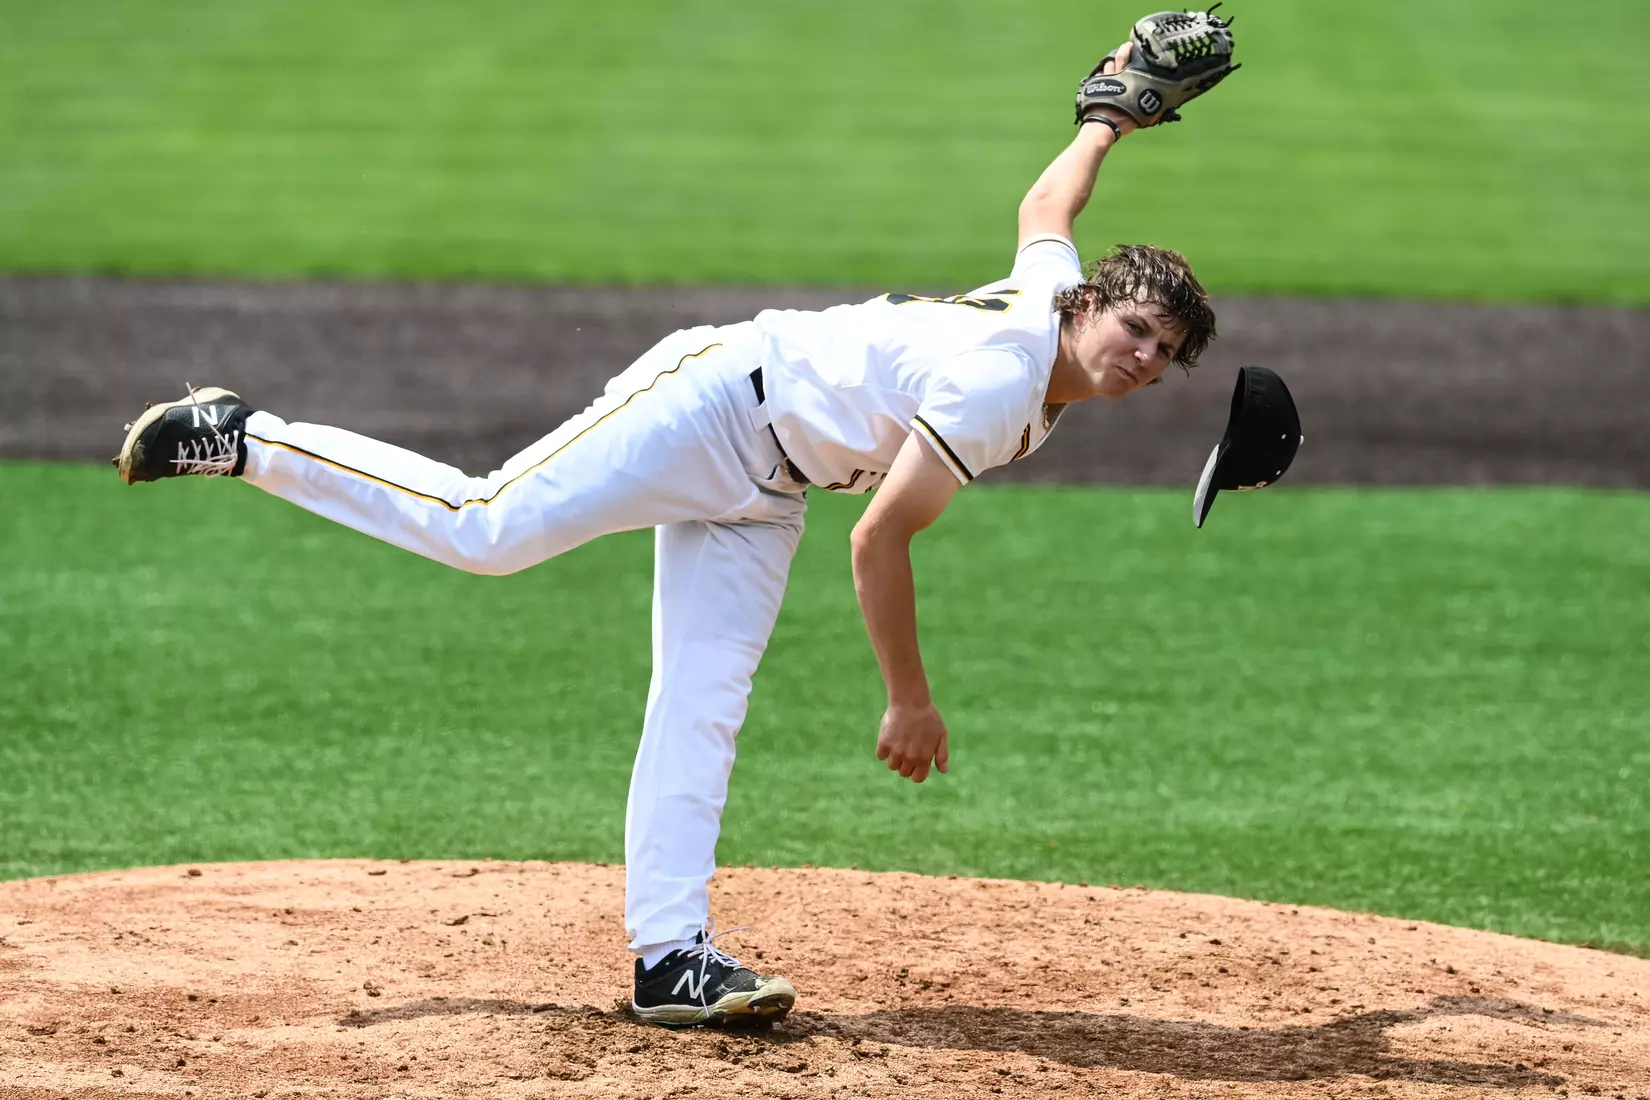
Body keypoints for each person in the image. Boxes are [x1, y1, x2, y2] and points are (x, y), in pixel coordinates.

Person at [113, 40, 1217, 1028]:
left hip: (768, 484)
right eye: (1134, 327)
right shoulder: (998, 382)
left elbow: (1046, 210)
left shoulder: (1053, 296)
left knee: (702, 697)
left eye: (1163, 351)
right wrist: (909, 697)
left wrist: (1108, 120)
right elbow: (880, 542)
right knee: (487, 523)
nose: (1142, 357)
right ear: (1089, 309)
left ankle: (670, 955)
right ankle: (245, 437)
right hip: (713, 404)